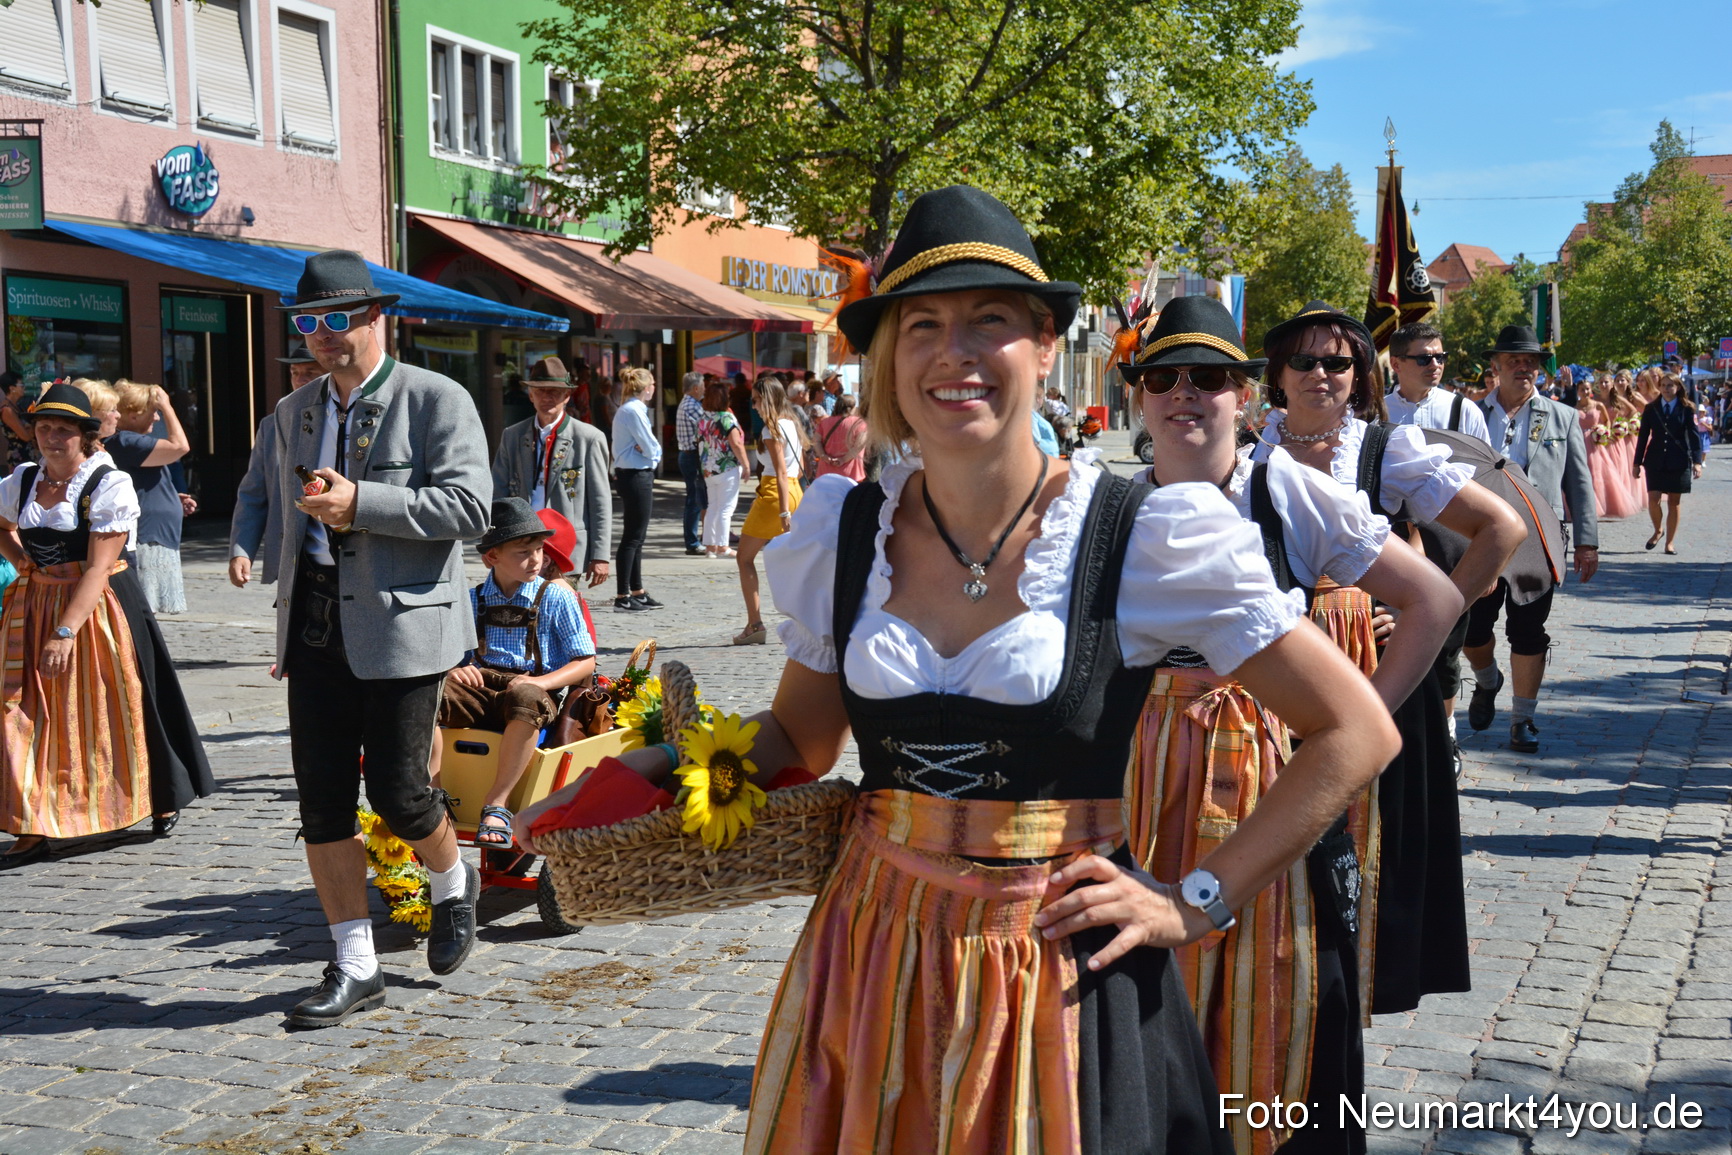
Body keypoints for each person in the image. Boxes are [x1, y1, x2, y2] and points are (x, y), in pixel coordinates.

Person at [517, 185, 1399, 1154]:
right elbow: (797, 742)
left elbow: (1354, 729)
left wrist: (1193, 902)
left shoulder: (1141, 535)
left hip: (1063, 969)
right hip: (872, 948)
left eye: (991, 321)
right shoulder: (844, 530)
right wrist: (650, 777)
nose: (954, 351)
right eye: (921, 324)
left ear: (1042, 342)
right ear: (889, 361)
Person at [1123, 297, 1462, 1155]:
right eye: (1164, 377)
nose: (1186, 394)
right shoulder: (1109, 512)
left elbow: (1434, 599)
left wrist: (1353, 724)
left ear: (1244, 394)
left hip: (1274, 788)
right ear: (1137, 398)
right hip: (1145, 791)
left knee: (1293, 996)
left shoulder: (1288, 491)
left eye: (1210, 377)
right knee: (1148, 1004)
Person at [1253, 301, 1526, 1017]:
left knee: (1371, 831)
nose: (1321, 374)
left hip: (1375, 670)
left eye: (1338, 362)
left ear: (1361, 375)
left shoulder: (1385, 450)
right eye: (1304, 361)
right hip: (1269, 665)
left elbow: (1502, 528)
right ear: (1276, 375)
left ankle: (1355, 984)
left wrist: (1422, 616)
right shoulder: (1249, 454)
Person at [264, 250, 491, 1026]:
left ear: (374, 317)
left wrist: (365, 502)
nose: (322, 336)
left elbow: (469, 509)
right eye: (308, 323)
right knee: (321, 802)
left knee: (399, 791)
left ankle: (453, 878)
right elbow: (272, 504)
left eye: (337, 320)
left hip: (402, 624)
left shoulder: (436, 399)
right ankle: (355, 961)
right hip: (317, 624)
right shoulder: (291, 413)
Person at [0, 383, 214, 868]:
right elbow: (3, 525)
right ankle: (32, 821)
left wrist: (64, 632)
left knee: (122, 704)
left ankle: (158, 796)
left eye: (64, 430)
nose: (52, 438)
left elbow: (98, 568)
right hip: (36, 604)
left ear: (84, 435)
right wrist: (26, 565)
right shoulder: (23, 480)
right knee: (24, 709)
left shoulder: (106, 483)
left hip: (99, 609)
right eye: (44, 428)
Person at [1466, 325, 1599, 754]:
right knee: (1471, 628)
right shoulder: (1470, 414)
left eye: (1530, 362)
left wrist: (1587, 541)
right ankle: (1487, 682)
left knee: (1528, 631)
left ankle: (1523, 718)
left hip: (1539, 539)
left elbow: (1579, 482)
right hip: (1481, 536)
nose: (1523, 368)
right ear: (1496, 367)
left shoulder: (1562, 416)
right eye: (1513, 361)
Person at [433, 498, 596, 848]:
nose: (536, 559)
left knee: (525, 695)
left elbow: (585, 661)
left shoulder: (555, 596)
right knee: (425, 694)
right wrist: (455, 667)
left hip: (535, 694)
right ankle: (433, 797)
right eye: (523, 552)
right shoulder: (472, 598)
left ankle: (497, 803)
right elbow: (443, 652)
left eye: (539, 549)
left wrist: (540, 682)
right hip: (481, 690)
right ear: (492, 557)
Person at [490, 357, 611, 591]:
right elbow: (498, 494)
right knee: (517, 617)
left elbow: (600, 501)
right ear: (531, 395)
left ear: (567, 397)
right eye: (541, 391)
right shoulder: (512, 435)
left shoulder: (588, 438)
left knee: (558, 614)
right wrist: (493, 544)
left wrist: (600, 555)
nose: (547, 398)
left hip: (565, 547)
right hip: (519, 544)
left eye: (555, 392)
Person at [228, 344, 319, 589]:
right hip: (291, 559)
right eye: (294, 372)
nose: (300, 380)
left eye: (310, 372)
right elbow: (253, 495)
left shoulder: (346, 421)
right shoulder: (272, 426)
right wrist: (241, 550)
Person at [107, 381, 193, 614]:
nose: (156, 418)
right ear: (133, 415)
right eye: (152, 412)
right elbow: (180, 446)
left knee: (149, 611)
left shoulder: (130, 441)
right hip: (148, 537)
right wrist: (168, 407)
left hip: (156, 537)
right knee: (145, 611)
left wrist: (172, 498)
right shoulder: (127, 440)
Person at [731, 376, 804, 645]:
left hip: (778, 494)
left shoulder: (771, 429)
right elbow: (793, 468)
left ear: (768, 399)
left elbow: (780, 472)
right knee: (792, 559)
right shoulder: (791, 423)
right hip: (791, 491)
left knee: (744, 558)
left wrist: (783, 511)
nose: (754, 405)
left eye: (757, 400)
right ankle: (804, 619)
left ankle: (755, 623)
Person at [609, 366, 662, 614]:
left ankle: (637, 589)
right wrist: (651, 451)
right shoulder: (632, 410)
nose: (654, 388)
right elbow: (651, 447)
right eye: (652, 384)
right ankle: (622, 595)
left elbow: (648, 446)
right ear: (646, 387)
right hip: (634, 474)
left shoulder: (633, 409)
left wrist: (649, 450)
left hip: (636, 473)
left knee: (637, 536)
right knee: (632, 536)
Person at [1385, 322, 1491, 444]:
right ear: (1396, 364)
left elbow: (1484, 462)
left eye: (1440, 357)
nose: (1435, 364)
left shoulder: (1464, 410)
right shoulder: (1376, 413)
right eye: (1424, 358)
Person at [1633, 373, 1704, 555]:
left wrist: (1697, 461)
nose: (1666, 389)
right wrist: (1637, 462)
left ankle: (1669, 543)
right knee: (1653, 499)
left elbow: (1694, 437)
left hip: (1678, 460)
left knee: (1674, 502)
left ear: (1678, 387)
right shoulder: (1651, 408)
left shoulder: (1687, 409)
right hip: (1655, 459)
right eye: (1663, 385)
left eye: (1670, 385)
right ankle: (1658, 530)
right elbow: (1643, 437)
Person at [698, 379, 748, 559]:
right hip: (726, 466)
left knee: (712, 507)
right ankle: (723, 546)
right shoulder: (726, 417)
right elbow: (736, 443)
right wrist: (746, 464)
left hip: (708, 468)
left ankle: (710, 546)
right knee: (726, 508)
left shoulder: (703, 418)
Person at [674, 371, 709, 555]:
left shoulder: (688, 403)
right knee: (694, 500)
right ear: (695, 388)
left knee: (695, 499)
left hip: (688, 454)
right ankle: (693, 542)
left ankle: (694, 540)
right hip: (692, 456)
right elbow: (707, 428)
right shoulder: (693, 405)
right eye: (702, 386)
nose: (704, 390)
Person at [810, 392, 868, 482]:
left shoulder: (824, 422)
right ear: (852, 408)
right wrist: (843, 459)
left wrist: (824, 456)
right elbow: (859, 446)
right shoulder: (859, 423)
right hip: (851, 474)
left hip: (826, 472)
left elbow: (816, 441)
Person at [0, 372, 34, 469]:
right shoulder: (7, 410)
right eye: (21, 385)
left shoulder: (16, 407)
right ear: (12, 388)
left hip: (26, 453)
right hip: (18, 457)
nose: (24, 387)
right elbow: (25, 436)